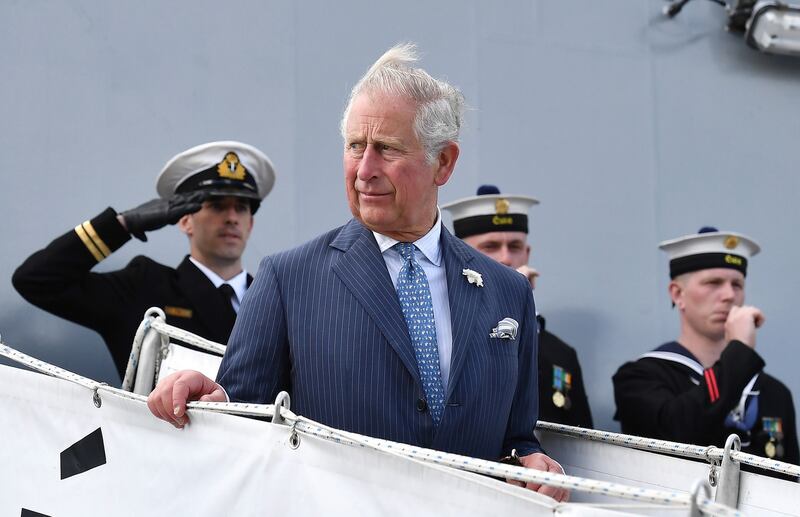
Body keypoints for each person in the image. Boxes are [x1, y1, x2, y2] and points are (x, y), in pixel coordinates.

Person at [148, 44, 568, 502]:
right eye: (354, 146)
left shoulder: (507, 292)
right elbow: (244, 420)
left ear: (443, 162)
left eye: (387, 149)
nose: (364, 170)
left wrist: (531, 460)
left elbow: (516, 438)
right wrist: (212, 398)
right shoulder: (289, 280)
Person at [12, 141, 275, 379]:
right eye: (217, 205)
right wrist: (122, 225)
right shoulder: (144, 288)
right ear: (184, 219)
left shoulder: (275, 301)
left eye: (241, 207)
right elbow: (37, 281)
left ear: (250, 224)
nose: (231, 217)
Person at [613, 227, 798, 466]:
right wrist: (740, 349)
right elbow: (679, 431)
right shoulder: (640, 378)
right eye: (713, 283)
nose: (729, 295)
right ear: (677, 293)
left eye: (737, 285)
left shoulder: (773, 392)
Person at [443, 185, 593, 428]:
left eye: (514, 247)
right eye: (490, 247)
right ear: (460, 252)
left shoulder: (560, 352)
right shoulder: (442, 329)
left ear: (527, 253)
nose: (505, 258)